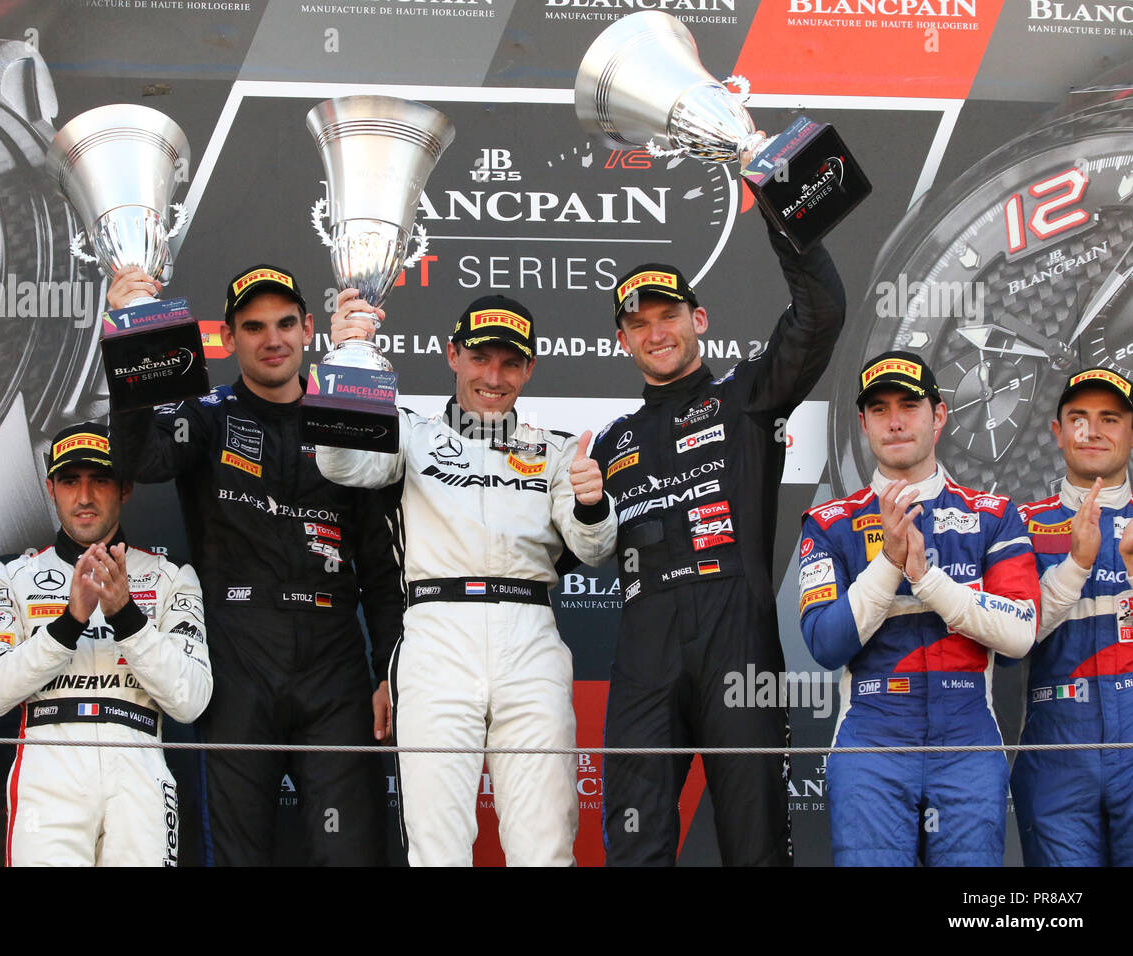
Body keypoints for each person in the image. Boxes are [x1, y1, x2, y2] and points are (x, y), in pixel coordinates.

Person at [107, 263, 402, 866]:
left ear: (309, 328)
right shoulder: (207, 415)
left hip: (334, 665)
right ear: (228, 337)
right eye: (255, 326)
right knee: (239, 858)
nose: (273, 339)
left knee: (350, 854)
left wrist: (386, 672)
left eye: (286, 323)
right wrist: (129, 340)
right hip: (238, 661)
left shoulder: (343, 418)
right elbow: (137, 459)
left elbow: (378, 561)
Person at [317, 289, 617, 867]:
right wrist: (349, 355)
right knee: (437, 846)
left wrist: (590, 502)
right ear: (453, 355)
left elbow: (593, 548)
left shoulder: (555, 452)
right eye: (480, 357)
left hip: (529, 637)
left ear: (529, 368)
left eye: (509, 362)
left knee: (546, 843)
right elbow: (342, 463)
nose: (493, 376)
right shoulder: (411, 434)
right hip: (436, 633)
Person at [592, 216, 846, 866]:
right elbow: (576, 549)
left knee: (756, 846)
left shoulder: (746, 397)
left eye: (668, 314)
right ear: (623, 339)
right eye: (639, 323)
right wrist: (585, 504)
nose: (656, 332)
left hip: (740, 649)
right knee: (633, 848)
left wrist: (783, 212)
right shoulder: (610, 443)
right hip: (645, 655)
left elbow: (820, 314)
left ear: (697, 320)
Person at [797, 351, 1040, 866]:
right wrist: (888, 561)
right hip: (872, 738)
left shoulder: (993, 516)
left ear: (940, 414)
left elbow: (1019, 635)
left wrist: (925, 580)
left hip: (970, 736)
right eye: (880, 409)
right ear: (862, 423)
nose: (896, 420)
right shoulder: (829, 522)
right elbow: (825, 644)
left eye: (909, 404)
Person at [0, 423, 212, 866]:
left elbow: (191, 701)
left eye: (99, 480)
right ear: (50, 488)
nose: (84, 496)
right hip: (48, 763)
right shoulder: (10, 576)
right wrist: (69, 623)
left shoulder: (172, 576)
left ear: (125, 488)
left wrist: (126, 618)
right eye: (69, 480)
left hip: (138, 760)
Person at [1014, 368, 1133, 866]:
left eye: (1110, 418)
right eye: (1078, 418)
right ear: (1057, 432)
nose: (1092, 430)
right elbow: (1006, 642)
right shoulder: (1018, 525)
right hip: (1055, 753)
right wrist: (1076, 565)